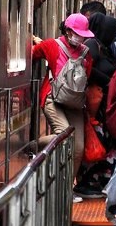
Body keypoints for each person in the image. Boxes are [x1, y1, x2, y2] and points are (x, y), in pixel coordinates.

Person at [32, 13, 94, 202]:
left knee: (78, 148)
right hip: (53, 99)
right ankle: (35, 144)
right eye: (78, 33)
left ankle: (67, 190)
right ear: (68, 31)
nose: (81, 38)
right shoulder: (51, 45)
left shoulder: (86, 52)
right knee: (63, 135)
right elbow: (32, 54)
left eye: (83, 35)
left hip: (74, 102)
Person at [74, 13, 116, 198]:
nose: (115, 37)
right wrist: (108, 81)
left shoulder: (104, 46)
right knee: (96, 142)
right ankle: (86, 182)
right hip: (94, 105)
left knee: (102, 143)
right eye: (113, 32)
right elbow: (87, 67)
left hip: (102, 105)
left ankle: (94, 181)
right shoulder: (92, 46)